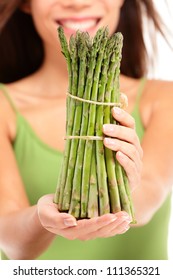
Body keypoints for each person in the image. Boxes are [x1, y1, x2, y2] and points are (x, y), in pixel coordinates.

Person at [0, 0, 173, 260]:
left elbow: (151, 193)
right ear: (25, 4)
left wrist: (129, 186)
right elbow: (13, 243)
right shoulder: (4, 107)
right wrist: (41, 218)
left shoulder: (164, 98)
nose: (78, 3)